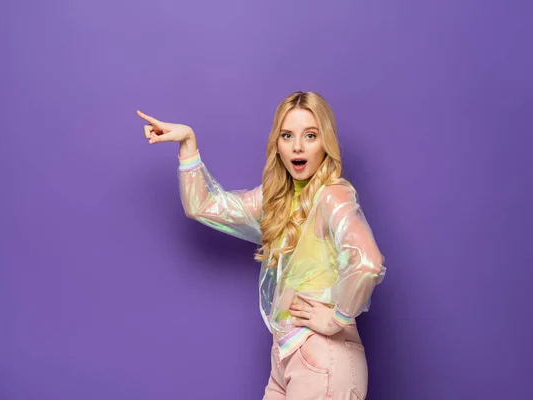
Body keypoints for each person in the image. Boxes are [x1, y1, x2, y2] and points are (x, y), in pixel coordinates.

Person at [137, 91, 386, 400]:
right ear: (277, 144)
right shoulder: (276, 202)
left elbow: (367, 262)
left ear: (326, 142)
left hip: (325, 356)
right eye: (287, 135)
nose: (297, 146)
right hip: (284, 356)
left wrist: (339, 318)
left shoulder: (333, 196)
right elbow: (204, 206)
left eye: (310, 135)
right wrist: (188, 143)